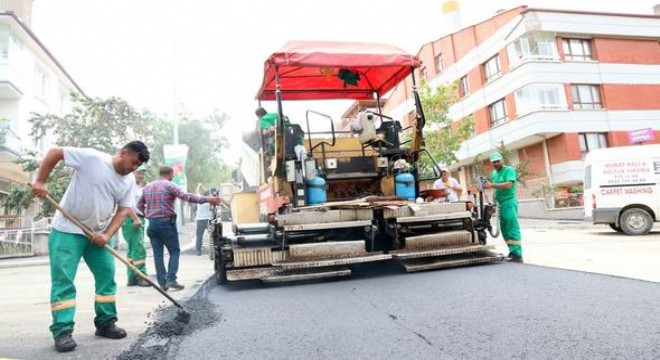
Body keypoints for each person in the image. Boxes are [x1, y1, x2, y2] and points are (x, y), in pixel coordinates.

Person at [30, 141, 150, 353]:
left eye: (137, 166)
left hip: (98, 235)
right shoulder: (92, 159)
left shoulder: (129, 181)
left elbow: (123, 211)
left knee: (107, 276)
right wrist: (40, 180)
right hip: (67, 230)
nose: (134, 168)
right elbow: (55, 152)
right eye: (133, 162)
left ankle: (105, 322)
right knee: (64, 281)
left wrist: (107, 234)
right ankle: (62, 331)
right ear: (122, 153)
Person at [138, 166, 221, 291]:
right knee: (174, 251)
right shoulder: (170, 185)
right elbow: (186, 196)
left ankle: (162, 283)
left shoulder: (147, 187)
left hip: (152, 225)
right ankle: (171, 279)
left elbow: (139, 205)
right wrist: (208, 199)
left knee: (158, 254)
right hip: (166, 224)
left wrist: (148, 215)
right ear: (170, 174)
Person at [482, 151, 523, 263]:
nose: (496, 163)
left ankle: (518, 254)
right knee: (505, 229)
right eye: (493, 162)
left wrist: (491, 185)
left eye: (497, 161)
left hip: (509, 202)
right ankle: (512, 251)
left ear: (501, 160)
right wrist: (494, 204)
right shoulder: (494, 174)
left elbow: (508, 185)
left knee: (512, 227)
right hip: (500, 204)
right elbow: (495, 191)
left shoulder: (509, 170)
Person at [121, 164, 150, 287]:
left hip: (136, 218)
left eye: (143, 173)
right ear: (132, 172)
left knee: (132, 249)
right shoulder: (130, 184)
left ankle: (132, 278)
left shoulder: (137, 186)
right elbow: (126, 204)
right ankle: (141, 277)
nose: (141, 175)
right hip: (132, 219)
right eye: (139, 173)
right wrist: (135, 218)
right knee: (138, 248)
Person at [194, 186, 214, 256]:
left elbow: (196, 193)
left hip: (200, 220)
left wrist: (199, 186)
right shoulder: (210, 200)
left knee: (199, 236)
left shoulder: (199, 199)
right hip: (209, 219)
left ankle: (198, 251)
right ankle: (213, 250)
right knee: (212, 235)